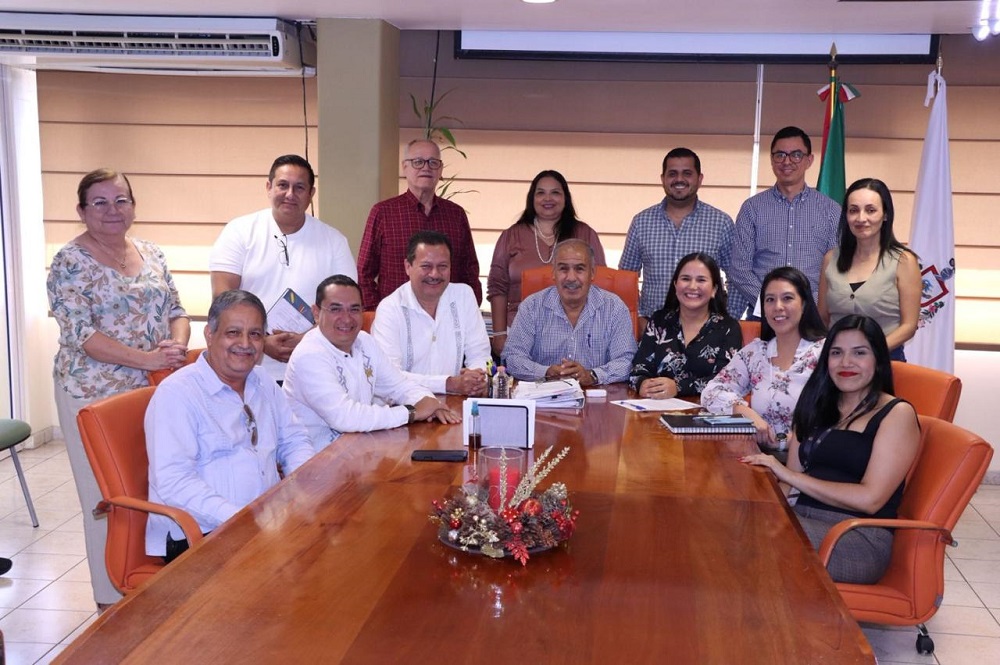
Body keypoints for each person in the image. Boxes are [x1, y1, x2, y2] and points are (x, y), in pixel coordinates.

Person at [48, 168, 190, 609]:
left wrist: (177, 346)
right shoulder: (69, 262)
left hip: (150, 392)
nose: (113, 210)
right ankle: (109, 603)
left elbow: (177, 310)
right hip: (92, 393)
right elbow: (81, 334)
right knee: (108, 499)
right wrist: (145, 359)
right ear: (81, 211)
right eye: (101, 202)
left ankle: (145, 587)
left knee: (148, 490)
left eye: (121, 200)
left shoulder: (150, 252)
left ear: (134, 205)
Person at [741, 315, 920, 584]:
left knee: (755, 541)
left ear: (879, 360)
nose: (846, 362)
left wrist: (787, 475)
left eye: (859, 353)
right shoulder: (817, 405)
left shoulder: (896, 414)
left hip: (856, 537)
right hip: (802, 519)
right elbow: (788, 485)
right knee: (733, 528)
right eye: (836, 353)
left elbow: (870, 499)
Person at [145, 290, 315, 563]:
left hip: (267, 524)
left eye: (255, 334)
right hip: (204, 535)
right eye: (233, 332)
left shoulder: (262, 381)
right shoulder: (177, 394)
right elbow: (175, 482)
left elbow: (294, 440)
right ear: (210, 335)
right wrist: (244, 520)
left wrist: (303, 489)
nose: (245, 344)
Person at [209, 154, 356, 383]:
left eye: (299, 187)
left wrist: (307, 340)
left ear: (311, 195)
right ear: (268, 187)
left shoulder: (334, 241)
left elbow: (346, 306)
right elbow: (222, 297)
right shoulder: (238, 231)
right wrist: (260, 340)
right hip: (246, 369)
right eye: (282, 185)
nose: (290, 194)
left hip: (314, 370)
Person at [283, 275, 461, 449]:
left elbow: (399, 385)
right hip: (316, 465)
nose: (346, 318)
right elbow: (345, 417)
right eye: (335, 309)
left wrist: (430, 403)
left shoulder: (364, 341)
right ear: (316, 312)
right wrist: (410, 412)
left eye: (354, 309)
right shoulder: (309, 355)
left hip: (357, 452)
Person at [702, 266, 826, 450]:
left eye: (787, 298)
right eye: (770, 300)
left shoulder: (827, 352)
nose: (777, 307)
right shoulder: (756, 352)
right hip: (760, 457)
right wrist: (742, 411)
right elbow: (711, 392)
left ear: (805, 304)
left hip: (812, 460)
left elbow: (844, 411)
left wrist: (788, 441)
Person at [487, 170, 606, 356]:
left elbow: (599, 281)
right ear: (531, 198)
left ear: (565, 197)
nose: (547, 198)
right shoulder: (511, 236)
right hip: (519, 331)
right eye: (540, 192)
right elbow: (497, 287)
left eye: (555, 192)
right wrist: (500, 334)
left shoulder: (585, 233)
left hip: (577, 331)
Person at [728, 127, 840, 319]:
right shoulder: (752, 208)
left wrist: (806, 305)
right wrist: (771, 302)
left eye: (796, 155)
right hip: (763, 315)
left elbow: (836, 270)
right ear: (772, 159)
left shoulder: (831, 210)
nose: (787, 161)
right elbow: (739, 269)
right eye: (780, 155)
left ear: (809, 160)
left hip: (812, 316)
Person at [619, 148, 737, 329]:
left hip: (706, 333)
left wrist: (727, 320)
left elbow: (736, 277)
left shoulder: (721, 223)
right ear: (663, 179)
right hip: (652, 330)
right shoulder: (641, 222)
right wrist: (638, 319)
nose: (679, 179)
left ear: (700, 179)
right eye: (672, 173)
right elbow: (626, 278)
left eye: (687, 173)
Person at [358, 139, 481, 311]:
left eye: (433, 162)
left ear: (440, 169)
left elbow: (470, 271)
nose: (426, 167)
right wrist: (376, 313)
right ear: (405, 168)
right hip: (397, 319)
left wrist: (467, 311)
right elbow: (364, 273)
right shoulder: (383, 213)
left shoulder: (456, 215)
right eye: (418, 162)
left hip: (447, 319)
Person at [371, 231, 490, 396]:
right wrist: (449, 384)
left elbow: (480, 353)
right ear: (408, 267)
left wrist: (477, 378)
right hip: (406, 407)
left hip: (454, 404)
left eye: (442, 266)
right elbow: (389, 376)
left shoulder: (464, 296)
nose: (434, 274)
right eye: (426, 266)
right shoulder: (390, 309)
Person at [504, 239, 637, 385]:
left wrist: (592, 375)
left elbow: (627, 361)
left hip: (597, 397)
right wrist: (545, 372)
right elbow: (512, 357)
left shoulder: (614, 307)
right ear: (553, 272)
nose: (571, 278)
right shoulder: (532, 306)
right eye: (563, 269)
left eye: (579, 269)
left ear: (592, 273)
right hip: (544, 396)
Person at [818, 178, 922, 362]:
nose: (861, 218)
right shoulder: (830, 259)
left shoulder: (904, 261)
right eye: (853, 210)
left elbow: (909, 325)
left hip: (886, 359)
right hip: (837, 362)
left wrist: (870, 352)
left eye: (871, 210)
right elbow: (823, 317)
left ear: (885, 215)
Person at [629, 252, 742, 398]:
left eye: (701, 280)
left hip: (706, 414)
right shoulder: (659, 321)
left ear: (714, 289)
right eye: (685, 279)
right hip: (655, 410)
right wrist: (642, 383)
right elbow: (638, 369)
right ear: (675, 285)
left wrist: (678, 387)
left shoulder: (728, 328)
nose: (692, 286)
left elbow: (728, 381)